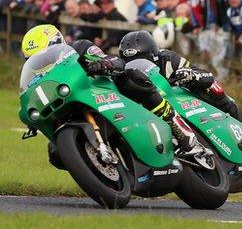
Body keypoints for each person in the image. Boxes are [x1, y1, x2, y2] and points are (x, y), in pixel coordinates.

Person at [21, 24, 197, 152]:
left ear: (57, 43)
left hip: (104, 92)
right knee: (55, 152)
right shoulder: (39, 77)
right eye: (33, 59)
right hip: (72, 104)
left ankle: (173, 121)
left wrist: (103, 63)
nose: (41, 62)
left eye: (43, 54)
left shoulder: (79, 47)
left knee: (131, 75)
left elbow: (113, 60)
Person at [118, 30, 242, 144]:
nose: (139, 67)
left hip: (183, 101)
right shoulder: (122, 75)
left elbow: (205, 74)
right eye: (131, 63)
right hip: (153, 110)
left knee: (213, 87)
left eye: (143, 60)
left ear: (154, 55)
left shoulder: (169, 59)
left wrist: (192, 75)